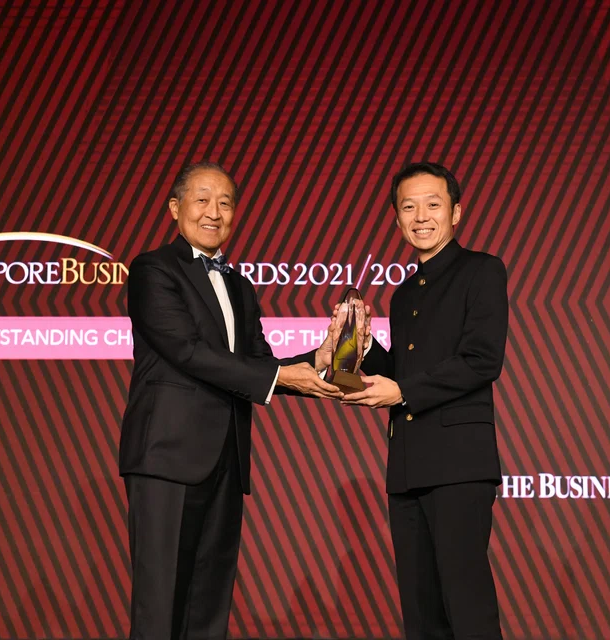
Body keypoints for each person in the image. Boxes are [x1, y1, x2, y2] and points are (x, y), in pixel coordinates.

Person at [119, 162, 341, 639]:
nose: (214, 212)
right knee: (160, 608)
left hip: (226, 459)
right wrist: (282, 374)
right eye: (202, 200)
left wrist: (317, 358)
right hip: (167, 457)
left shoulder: (239, 285)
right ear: (176, 208)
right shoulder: (152, 270)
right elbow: (188, 351)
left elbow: (260, 362)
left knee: (208, 605)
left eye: (225, 203)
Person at [343, 162, 508, 640]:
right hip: (408, 468)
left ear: (456, 212)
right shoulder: (401, 294)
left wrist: (403, 390)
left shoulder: (481, 270)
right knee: (421, 617)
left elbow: (482, 360)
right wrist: (361, 346)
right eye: (408, 207)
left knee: (468, 610)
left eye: (433, 204)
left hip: (459, 466)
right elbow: (403, 374)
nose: (421, 216)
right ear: (396, 219)